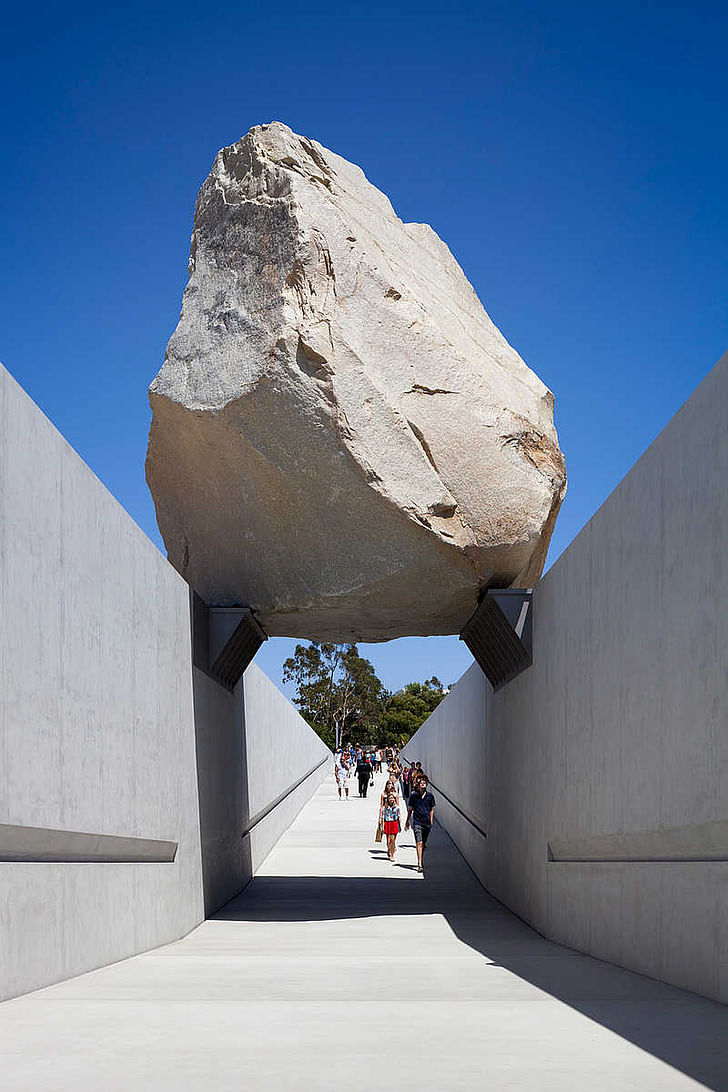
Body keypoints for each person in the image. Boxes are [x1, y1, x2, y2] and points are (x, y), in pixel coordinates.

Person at [405, 774, 435, 874]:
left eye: (424, 782)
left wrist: (431, 821)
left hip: (426, 823)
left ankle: (420, 857)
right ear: (418, 784)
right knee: (419, 842)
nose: (423, 783)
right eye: (421, 782)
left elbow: (431, 809)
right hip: (417, 822)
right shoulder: (414, 796)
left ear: (426, 784)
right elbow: (410, 809)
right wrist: (407, 821)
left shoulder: (430, 796)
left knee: (424, 844)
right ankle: (419, 864)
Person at [380, 791, 401, 861]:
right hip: (387, 823)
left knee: (393, 840)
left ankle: (392, 855)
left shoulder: (397, 807)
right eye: (390, 798)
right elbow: (383, 817)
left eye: (392, 798)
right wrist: (382, 826)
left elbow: (398, 817)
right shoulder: (385, 808)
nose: (391, 799)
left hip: (394, 823)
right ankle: (389, 849)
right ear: (388, 799)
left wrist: (399, 826)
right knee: (388, 840)